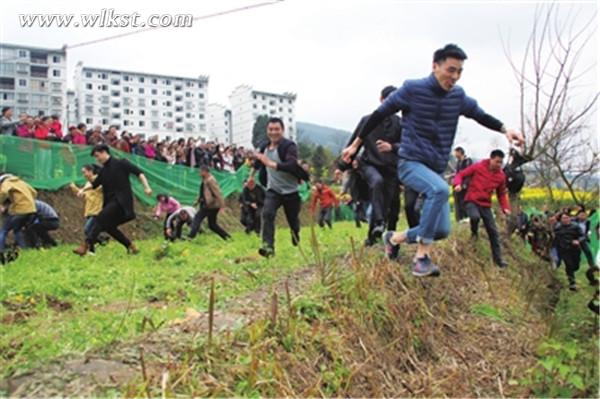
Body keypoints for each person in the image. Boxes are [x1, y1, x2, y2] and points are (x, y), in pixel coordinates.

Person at [342, 43, 524, 277]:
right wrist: (356, 145)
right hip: (410, 163)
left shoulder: (457, 96)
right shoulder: (412, 89)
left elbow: (479, 115)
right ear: (435, 66)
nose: (455, 77)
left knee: (440, 230)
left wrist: (504, 129)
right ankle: (421, 258)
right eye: (451, 70)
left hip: (435, 167)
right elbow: (379, 115)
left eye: (459, 71)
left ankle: (393, 238)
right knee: (438, 190)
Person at [345, 86, 403, 245]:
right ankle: (376, 227)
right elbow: (353, 145)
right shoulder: (367, 120)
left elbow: (406, 146)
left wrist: (393, 147)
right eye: (389, 100)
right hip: (370, 165)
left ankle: (386, 240)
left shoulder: (400, 124)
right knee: (377, 182)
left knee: (392, 205)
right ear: (381, 100)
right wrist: (343, 166)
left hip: (392, 169)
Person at [73, 144, 152, 256]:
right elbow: (94, 184)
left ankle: (86, 245)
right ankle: (130, 246)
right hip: (110, 203)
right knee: (108, 227)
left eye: (97, 155)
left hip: (122, 202)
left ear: (105, 152)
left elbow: (139, 173)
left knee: (100, 217)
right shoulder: (103, 171)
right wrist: (82, 190)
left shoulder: (121, 163)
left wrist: (146, 187)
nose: (97, 159)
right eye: (95, 157)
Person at [253, 117, 309, 258]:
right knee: (267, 214)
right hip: (273, 190)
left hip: (291, 191)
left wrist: (271, 164)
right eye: (271, 129)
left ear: (282, 130)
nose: (274, 132)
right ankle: (268, 248)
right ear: (267, 131)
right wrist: (250, 178)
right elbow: (258, 162)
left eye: (277, 129)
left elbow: (291, 164)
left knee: (293, 221)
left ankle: (295, 233)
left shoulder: (289, 146)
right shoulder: (264, 146)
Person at [454, 149, 511, 268]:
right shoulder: (478, 167)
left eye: (501, 162)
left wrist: (505, 207)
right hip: (471, 200)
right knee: (475, 217)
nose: (499, 165)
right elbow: (461, 174)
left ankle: (498, 260)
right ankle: (474, 233)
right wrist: (458, 184)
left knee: (493, 232)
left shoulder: (501, 176)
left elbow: (501, 194)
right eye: (497, 162)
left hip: (485, 205)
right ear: (491, 159)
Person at [70, 164, 106, 254]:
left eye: (84, 172)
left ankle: (95, 243)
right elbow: (83, 195)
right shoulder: (87, 183)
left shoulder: (98, 180)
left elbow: (101, 189)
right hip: (89, 210)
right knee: (89, 231)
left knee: (87, 229)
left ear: (90, 171)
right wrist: (74, 188)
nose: (84, 174)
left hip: (97, 210)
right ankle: (96, 245)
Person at [188, 166, 231, 241]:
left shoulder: (211, 180)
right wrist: (197, 201)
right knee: (212, 225)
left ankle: (190, 237)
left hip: (210, 205)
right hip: (208, 204)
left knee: (197, 219)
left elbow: (217, 192)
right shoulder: (205, 180)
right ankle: (227, 237)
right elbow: (202, 192)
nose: (199, 173)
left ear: (205, 171)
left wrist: (222, 205)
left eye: (200, 171)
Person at [0, 174, 37, 252]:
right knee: (17, 229)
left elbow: (3, 192)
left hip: (20, 210)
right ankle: (24, 249)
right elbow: (34, 192)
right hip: (31, 210)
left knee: (4, 230)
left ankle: (1, 249)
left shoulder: (7, 182)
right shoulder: (21, 182)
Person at [553, 212, 585, 291]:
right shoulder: (558, 228)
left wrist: (578, 241)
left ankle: (572, 274)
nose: (565, 220)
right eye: (563, 218)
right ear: (561, 220)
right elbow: (554, 237)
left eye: (567, 218)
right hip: (564, 249)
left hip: (575, 249)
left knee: (575, 266)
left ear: (570, 218)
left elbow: (582, 236)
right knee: (569, 265)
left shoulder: (575, 226)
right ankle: (572, 283)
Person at [574, 209, 599, 285]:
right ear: (578, 215)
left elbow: (588, 232)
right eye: (581, 215)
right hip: (574, 240)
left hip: (583, 239)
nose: (583, 216)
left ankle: (592, 266)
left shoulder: (587, 222)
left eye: (584, 215)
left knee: (588, 252)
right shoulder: (574, 222)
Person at [452, 146, 473, 222]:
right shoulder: (458, 162)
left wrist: (463, 185)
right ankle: (459, 219)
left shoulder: (467, 161)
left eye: (456, 152)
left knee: (465, 203)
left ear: (460, 152)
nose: (454, 154)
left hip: (465, 187)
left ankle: (467, 218)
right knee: (458, 204)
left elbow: (469, 175)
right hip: (457, 186)